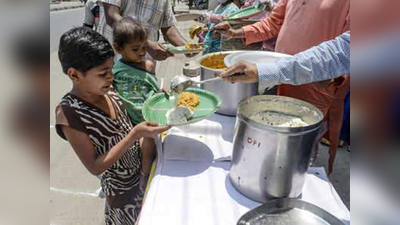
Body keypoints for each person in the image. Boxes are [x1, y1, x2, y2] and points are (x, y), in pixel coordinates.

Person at [215, 0, 350, 173]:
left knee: (302, 139)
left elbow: (348, 49)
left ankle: (296, 177)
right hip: (280, 74)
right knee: (277, 130)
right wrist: (236, 32)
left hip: (317, 82)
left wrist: (334, 78)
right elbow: (273, 22)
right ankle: (272, 174)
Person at [55, 27, 170, 224]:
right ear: (74, 75)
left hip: (145, 173)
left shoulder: (107, 89)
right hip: (122, 194)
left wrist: (155, 94)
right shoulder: (69, 113)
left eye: (111, 69)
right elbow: (94, 165)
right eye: (103, 73)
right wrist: (134, 135)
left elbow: (136, 102)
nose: (111, 77)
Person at [112, 18, 168, 182]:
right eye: (135, 49)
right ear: (118, 48)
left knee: (149, 141)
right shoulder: (114, 70)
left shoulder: (149, 66)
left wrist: (160, 91)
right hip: (126, 121)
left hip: (148, 117)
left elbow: (151, 88)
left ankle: (145, 175)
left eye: (144, 47)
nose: (142, 52)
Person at [221, 31, 350, 87]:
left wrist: (335, 74)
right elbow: (272, 22)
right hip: (283, 71)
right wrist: (235, 32)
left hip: (320, 75)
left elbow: (343, 52)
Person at [99, 0, 189, 61]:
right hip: (115, 58)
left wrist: (188, 47)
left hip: (145, 62)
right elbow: (112, 15)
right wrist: (146, 44)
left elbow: (168, 27)